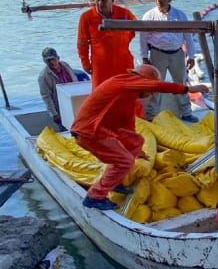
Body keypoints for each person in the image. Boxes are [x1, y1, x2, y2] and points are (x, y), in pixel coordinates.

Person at [70, 64, 209, 210]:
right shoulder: (125, 81)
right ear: (144, 81)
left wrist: (137, 150)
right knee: (125, 162)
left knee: (137, 140)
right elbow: (158, 86)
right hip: (89, 132)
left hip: (101, 129)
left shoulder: (128, 94)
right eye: (150, 91)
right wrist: (187, 89)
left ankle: (116, 181)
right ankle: (95, 196)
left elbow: (127, 125)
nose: (151, 94)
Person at [139, 0, 199, 123]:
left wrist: (191, 56)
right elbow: (143, 39)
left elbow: (188, 37)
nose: (158, 1)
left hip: (177, 54)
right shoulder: (148, 16)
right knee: (155, 85)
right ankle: (151, 116)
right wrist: (144, 57)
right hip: (157, 53)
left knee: (181, 83)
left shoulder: (180, 15)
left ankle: (186, 113)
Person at [77, 0, 138, 89]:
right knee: (100, 95)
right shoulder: (86, 17)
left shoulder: (124, 14)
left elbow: (134, 29)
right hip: (100, 66)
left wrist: (121, 42)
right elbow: (82, 43)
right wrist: (85, 63)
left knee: (126, 93)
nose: (100, 3)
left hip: (123, 63)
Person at [38, 47, 79, 131]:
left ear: (58, 58)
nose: (51, 62)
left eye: (53, 59)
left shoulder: (65, 65)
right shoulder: (43, 77)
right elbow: (46, 97)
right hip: (60, 108)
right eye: (48, 60)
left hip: (74, 103)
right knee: (67, 130)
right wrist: (54, 114)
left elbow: (75, 81)